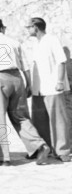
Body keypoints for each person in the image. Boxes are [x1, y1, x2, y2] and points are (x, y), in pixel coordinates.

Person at [0, 19, 50, 166]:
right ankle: (39, 145)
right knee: (21, 116)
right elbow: (25, 65)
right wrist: (29, 84)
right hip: (17, 78)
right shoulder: (14, 42)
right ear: (2, 28)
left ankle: (1, 157)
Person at [25, 17, 71, 162]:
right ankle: (46, 149)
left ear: (36, 27)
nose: (28, 30)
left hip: (52, 87)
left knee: (58, 120)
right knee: (40, 121)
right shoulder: (36, 44)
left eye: (29, 27)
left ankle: (62, 150)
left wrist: (59, 81)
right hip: (38, 88)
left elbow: (61, 61)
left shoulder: (52, 39)